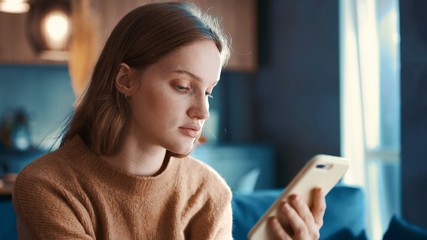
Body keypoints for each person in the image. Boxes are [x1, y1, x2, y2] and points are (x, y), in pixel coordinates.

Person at [12, 2, 325, 239]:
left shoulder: (208, 192)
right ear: (125, 80)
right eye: (183, 86)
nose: (202, 112)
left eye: (209, 92)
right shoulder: (47, 186)